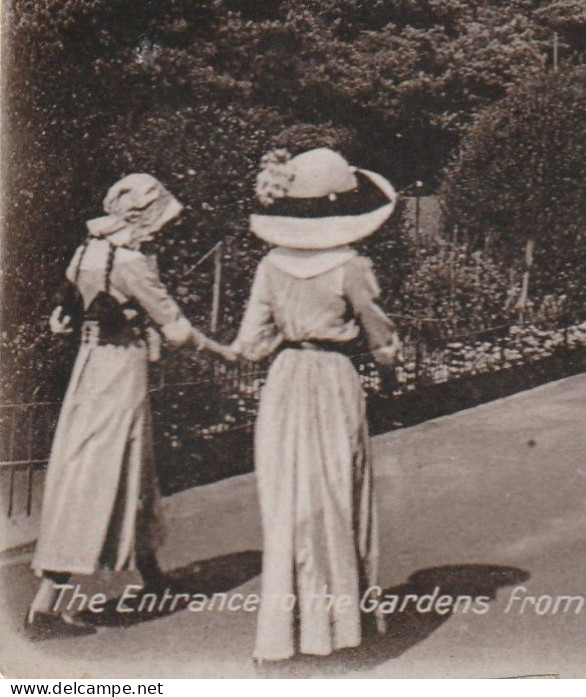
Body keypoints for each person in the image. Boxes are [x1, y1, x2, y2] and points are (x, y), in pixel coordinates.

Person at [219, 147, 401, 663]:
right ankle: (339, 627)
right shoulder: (352, 266)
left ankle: (287, 632)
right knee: (336, 496)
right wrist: (389, 360)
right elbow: (380, 336)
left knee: (289, 505)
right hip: (332, 379)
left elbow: (251, 343)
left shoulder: (270, 265)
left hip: (285, 383)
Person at [26, 175, 223, 638]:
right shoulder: (132, 262)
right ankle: (46, 605)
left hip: (90, 366)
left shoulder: (86, 252)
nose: (162, 230)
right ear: (142, 217)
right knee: (102, 470)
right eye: (159, 219)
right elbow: (175, 326)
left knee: (131, 463)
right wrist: (221, 351)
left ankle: (151, 573)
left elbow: (63, 320)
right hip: (121, 370)